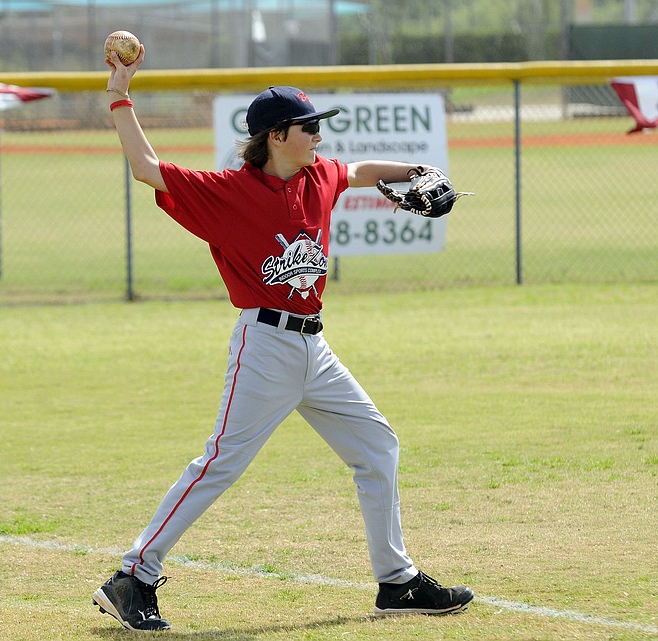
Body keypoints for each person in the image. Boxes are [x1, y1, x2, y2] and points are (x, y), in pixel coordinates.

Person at [93, 45, 474, 632]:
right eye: (308, 128)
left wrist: (415, 174)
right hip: (264, 345)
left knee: (377, 446)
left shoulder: (318, 175)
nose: (318, 137)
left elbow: (364, 171)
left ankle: (396, 582)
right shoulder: (227, 193)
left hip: (314, 349)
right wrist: (121, 92)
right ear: (275, 136)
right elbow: (146, 167)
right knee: (219, 463)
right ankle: (133, 575)